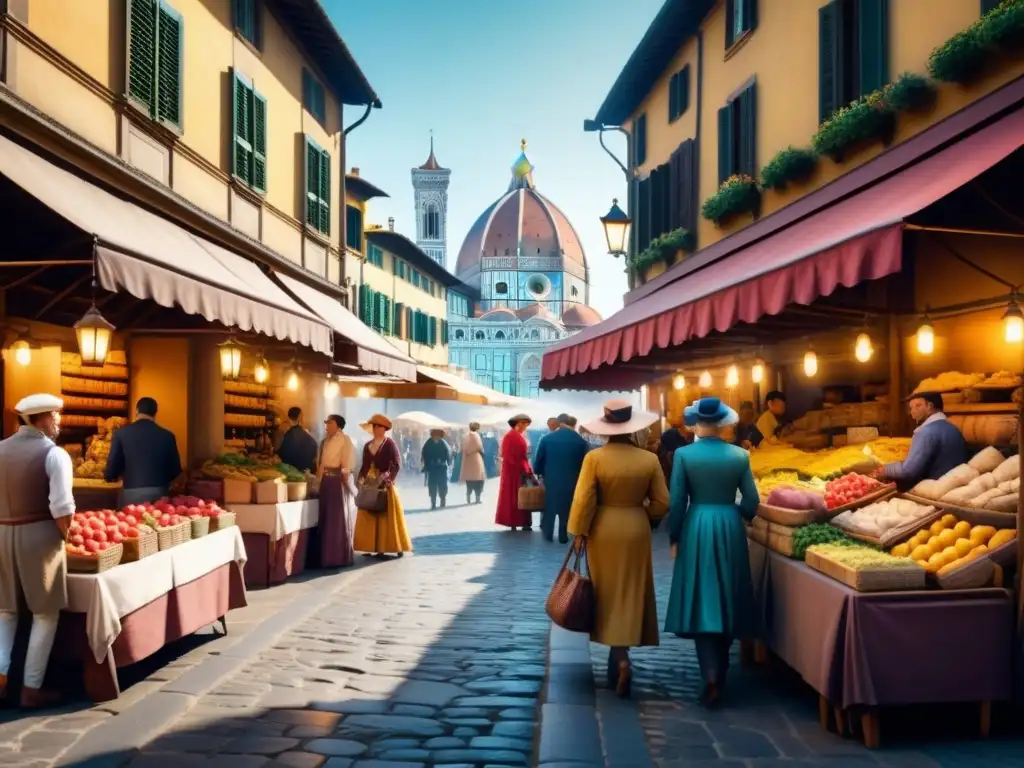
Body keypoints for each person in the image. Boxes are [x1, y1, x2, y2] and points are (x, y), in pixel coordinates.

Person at [568, 400, 669, 698]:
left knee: (606, 591)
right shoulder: (648, 459)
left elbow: (584, 500)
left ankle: (620, 659)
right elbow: (663, 502)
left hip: (604, 528)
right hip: (636, 527)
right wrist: (645, 516)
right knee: (631, 589)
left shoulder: (595, 459)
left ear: (606, 429)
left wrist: (578, 531)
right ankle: (621, 656)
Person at [665, 397, 759, 709]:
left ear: (696, 423)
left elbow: (677, 502)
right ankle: (722, 670)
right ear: (722, 423)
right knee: (728, 593)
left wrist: (674, 535)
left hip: (697, 526)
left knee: (703, 595)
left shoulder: (683, 454)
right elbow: (752, 501)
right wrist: (741, 516)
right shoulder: (739, 455)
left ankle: (710, 675)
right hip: (730, 524)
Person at [0, 394, 75, 708]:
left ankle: (1, 679)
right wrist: (66, 537)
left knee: (5, 611)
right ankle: (32, 687)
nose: (58, 422)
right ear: (41, 419)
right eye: (55, 416)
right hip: (39, 536)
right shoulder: (54, 455)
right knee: (45, 612)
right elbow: (61, 507)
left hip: (1, 533)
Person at [876, 392, 967, 487]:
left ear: (930, 406)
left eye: (918, 406)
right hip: (956, 483)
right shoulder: (953, 428)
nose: (912, 411)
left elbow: (908, 470)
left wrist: (885, 470)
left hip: (936, 487)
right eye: (911, 408)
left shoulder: (926, 432)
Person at [353, 414, 412, 558]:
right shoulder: (368, 446)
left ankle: (394, 546)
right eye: (373, 426)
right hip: (370, 484)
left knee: (386, 515)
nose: (374, 428)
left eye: (377, 426)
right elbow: (365, 465)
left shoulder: (390, 444)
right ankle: (370, 545)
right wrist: (360, 479)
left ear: (384, 429)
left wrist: (389, 478)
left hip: (385, 484)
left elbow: (397, 464)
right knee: (368, 512)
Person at [104, 397, 182, 506]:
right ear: (155, 413)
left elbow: (112, 469)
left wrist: (110, 476)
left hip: (131, 494)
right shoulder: (168, 436)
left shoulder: (120, 434)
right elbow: (176, 471)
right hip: (160, 495)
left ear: (137, 411)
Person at [534, 413, 590, 544]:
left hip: (551, 479)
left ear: (559, 423)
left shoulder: (547, 439)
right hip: (573, 480)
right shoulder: (580, 441)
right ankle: (563, 535)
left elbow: (538, 461)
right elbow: (586, 463)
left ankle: (548, 534)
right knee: (567, 506)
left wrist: (540, 474)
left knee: (550, 506)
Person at [312, 414, 357, 568]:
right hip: (325, 482)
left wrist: (343, 477)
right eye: (326, 423)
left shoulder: (345, 440)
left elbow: (348, 464)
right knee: (325, 518)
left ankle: (337, 556)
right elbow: (321, 463)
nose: (326, 426)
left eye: (330, 423)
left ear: (338, 425)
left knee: (336, 520)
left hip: (337, 483)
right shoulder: (325, 441)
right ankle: (324, 556)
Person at [495, 414, 535, 531]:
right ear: (515, 424)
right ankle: (515, 521)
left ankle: (517, 521)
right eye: (521, 423)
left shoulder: (515, 436)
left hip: (516, 470)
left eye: (526, 424)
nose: (524, 426)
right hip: (515, 471)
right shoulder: (512, 436)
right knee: (515, 496)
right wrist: (525, 468)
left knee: (518, 496)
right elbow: (509, 455)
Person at [277, 407, 318, 473]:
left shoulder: (290, 433)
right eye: (302, 415)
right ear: (299, 416)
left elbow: (283, 453)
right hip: (301, 470)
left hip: (292, 470)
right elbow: (314, 446)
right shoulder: (296, 432)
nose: (303, 417)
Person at [422, 428, 452, 509]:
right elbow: (424, 454)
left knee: (442, 485)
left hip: (442, 468)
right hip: (432, 469)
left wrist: (446, 461)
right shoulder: (428, 443)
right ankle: (433, 502)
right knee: (432, 486)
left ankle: (443, 500)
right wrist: (428, 463)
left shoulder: (443, 443)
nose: (437, 437)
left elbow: (448, 454)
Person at [460, 422, 487, 505]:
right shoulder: (476, 436)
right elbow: (479, 447)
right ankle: (477, 498)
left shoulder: (465, 436)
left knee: (469, 480)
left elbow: (462, 448)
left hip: (468, 460)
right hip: (476, 459)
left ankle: (468, 496)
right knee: (478, 479)